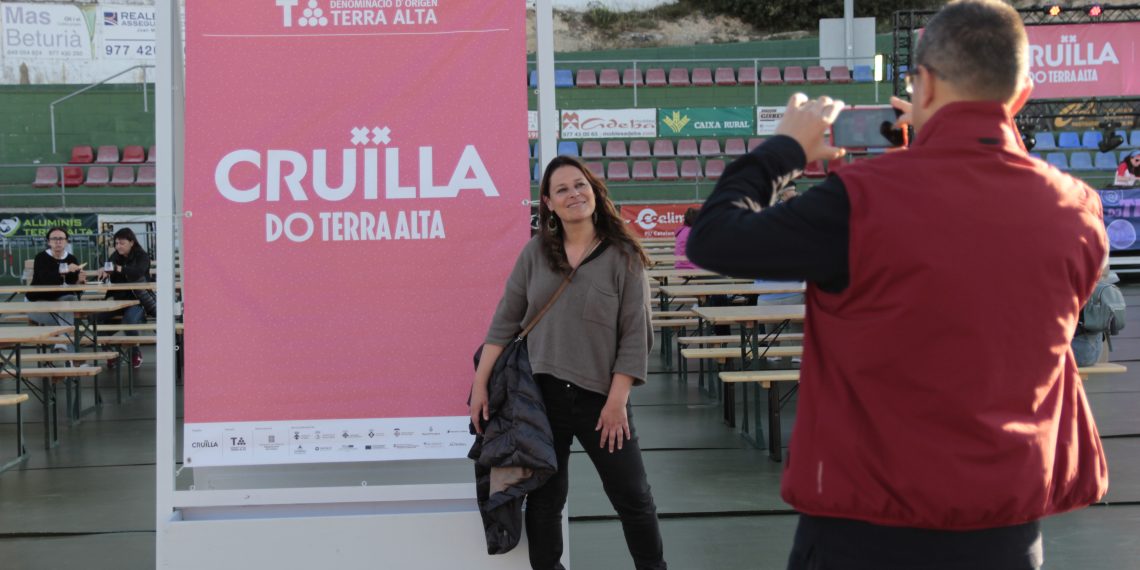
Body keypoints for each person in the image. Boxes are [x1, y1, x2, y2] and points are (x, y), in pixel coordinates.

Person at [686, 1, 1108, 568]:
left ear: (924, 84)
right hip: (1005, 534)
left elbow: (714, 238)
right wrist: (934, 147)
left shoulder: (862, 200)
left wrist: (783, 149)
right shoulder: (1078, 210)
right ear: (1022, 95)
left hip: (865, 533)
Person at [471, 156, 667, 570]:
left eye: (580, 185)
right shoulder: (535, 253)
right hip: (541, 401)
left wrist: (617, 401)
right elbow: (504, 322)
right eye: (562, 189)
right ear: (549, 204)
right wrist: (479, 386)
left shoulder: (623, 255)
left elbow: (636, 334)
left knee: (633, 497)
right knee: (545, 501)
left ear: (594, 191)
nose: (574, 194)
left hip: (603, 400)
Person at [95, 228, 151, 369]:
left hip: (137, 300)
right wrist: (104, 271)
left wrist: (118, 268)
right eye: (116, 243)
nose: (118, 246)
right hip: (117, 299)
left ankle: (134, 352)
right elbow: (109, 268)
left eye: (122, 243)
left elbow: (138, 272)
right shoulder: (116, 255)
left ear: (131, 242)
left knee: (129, 321)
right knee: (95, 319)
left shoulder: (142, 256)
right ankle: (110, 353)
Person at [27, 226, 86, 352]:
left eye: (61, 238)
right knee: (68, 318)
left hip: (63, 306)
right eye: (54, 238)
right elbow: (46, 282)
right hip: (38, 305)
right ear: (48, 242)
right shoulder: (41, 258)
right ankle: (73, 360)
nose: (58, 241)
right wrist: (64, 270)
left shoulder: (71, 259)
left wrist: (79, 281)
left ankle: (62, 346)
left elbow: (77, 291)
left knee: (69, 302)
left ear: (66, 241)